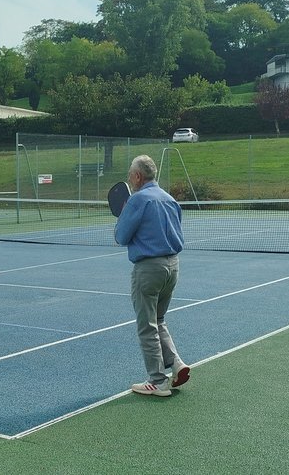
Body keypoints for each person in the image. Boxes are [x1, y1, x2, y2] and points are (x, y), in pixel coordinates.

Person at [114, 155, 190, 396]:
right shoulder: (169, 199)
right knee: (158, 319)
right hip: (173, 267)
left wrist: (123, 215)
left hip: (149, 269)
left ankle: (157, 381)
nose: (129, 178)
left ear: (138, 176)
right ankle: (176, 364)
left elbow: (121, 236)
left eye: (130, 174)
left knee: (147, 326)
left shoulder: (138, 200)